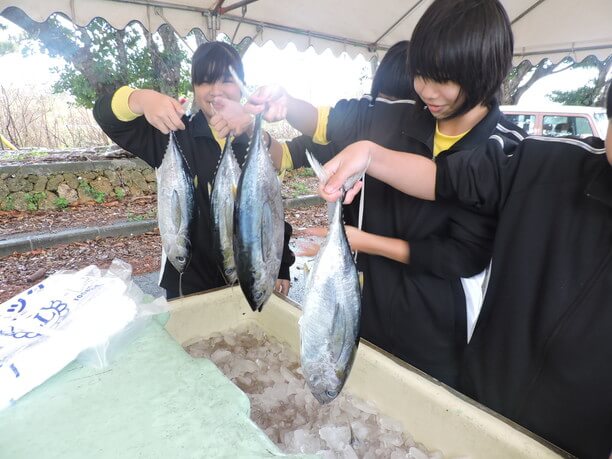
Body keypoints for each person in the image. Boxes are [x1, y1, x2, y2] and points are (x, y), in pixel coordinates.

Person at [239, 0, 526, 388]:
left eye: (444, 79)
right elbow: (329, 123)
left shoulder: (503, 149)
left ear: (484, 72)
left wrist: (363, 239)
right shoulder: (399, 114)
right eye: (421, 74)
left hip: (440, 329)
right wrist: (287, 104)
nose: (427, 90)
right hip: (369, 309)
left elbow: (461, 254)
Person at [317, 81, 612, 459]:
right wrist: (370, 155)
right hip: (474, 408)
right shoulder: (542, 163)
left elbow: (459, 255)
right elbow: (444, 179)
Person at [93, 41, 294, 300]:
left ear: (241, 85)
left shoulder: (254, 144)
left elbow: (272, 211)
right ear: (194, 87)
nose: (215, 91)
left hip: (246, 280)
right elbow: (105, 117)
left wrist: (282, 266)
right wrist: (142, 99)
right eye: (205, 82)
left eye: (226, 81)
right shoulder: (173, 132)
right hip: (187, 283)